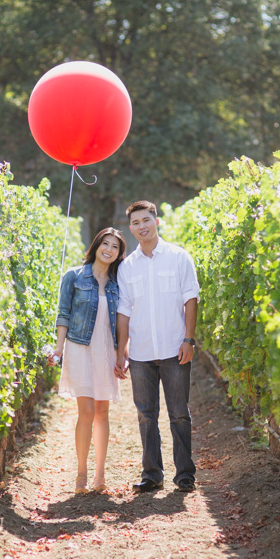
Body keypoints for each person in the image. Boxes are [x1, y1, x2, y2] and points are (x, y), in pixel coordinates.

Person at [114, 200, 200, 493]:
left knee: (179, 413)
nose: (141, 226)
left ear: (156, 221)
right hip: (140, 354)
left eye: (145, 220)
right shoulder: (126, 268)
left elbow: (191, 299)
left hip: (175, 350)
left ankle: (185, 474)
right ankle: (152, 474)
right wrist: (121, 351)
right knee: (146, 415)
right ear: (131, 228)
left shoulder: (179, 257)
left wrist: (188, 339)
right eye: (135, 223)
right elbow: (123, 312)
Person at [50, 228, 127, 494]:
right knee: (86, 412)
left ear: (119, 253)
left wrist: (122, 355)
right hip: (79, 348)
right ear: (96, 246)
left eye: (115, 246)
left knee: (103, 412)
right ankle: (81, 474)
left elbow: (123, 323)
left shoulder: (119, 283)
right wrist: (58, 350)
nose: (109, 249)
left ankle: (100, 476)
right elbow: (63, 314)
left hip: (106, 349)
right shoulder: (73, 276)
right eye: (105, 244)